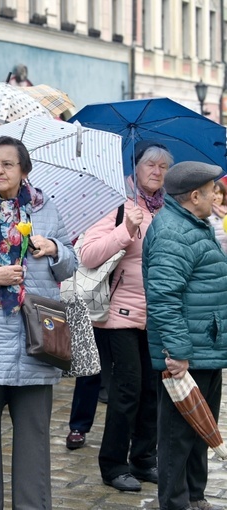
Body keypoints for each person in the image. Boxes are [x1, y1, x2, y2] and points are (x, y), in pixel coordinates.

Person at [0, 135, 77, 509]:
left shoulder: (45, 210)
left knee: (34, 438)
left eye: (8, 164)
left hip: (36, 339)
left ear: (24, 170)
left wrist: (55, 249)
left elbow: (71, 262)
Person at [79, 141, 172, 492]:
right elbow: (88, 254)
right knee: (127, 390)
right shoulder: (117, 206)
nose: (157, 172)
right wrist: (125, 230)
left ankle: (144, 458)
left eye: (163, 167)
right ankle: (113, 463)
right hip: (118, 314)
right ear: (136, 167)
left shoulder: (168, 209)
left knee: (153, 390)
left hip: (157, 315)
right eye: (151, 165)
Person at [142, 161, 227, 510]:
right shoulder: (173, 232)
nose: (216, 197)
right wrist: (177, 352)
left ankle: (195, 496)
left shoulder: (195, 223)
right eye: (212, 192)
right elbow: (164, 297)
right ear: (195, 196)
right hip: (186, 352)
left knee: (200, 430)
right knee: (178, 436)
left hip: (204, 345)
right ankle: (176, 502)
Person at [208, 179, 227, 253]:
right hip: (216, 253)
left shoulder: (225, 210)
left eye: (220, 193)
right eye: (216, 193)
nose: (218, 197)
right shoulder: (207, 213)